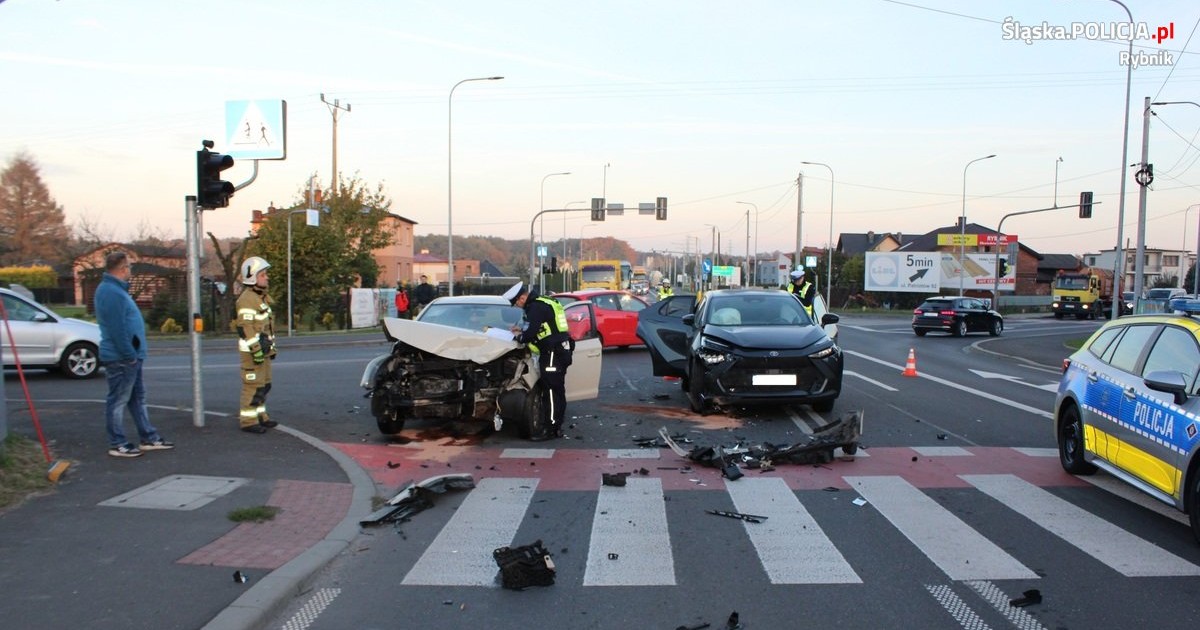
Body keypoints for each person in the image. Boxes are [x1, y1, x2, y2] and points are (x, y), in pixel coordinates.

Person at [95, 251, 173, 457]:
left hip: (129, 356)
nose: (130, 270)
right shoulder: (111, 292)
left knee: (136, 398)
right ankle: (117, 442)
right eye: (128, 266)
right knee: (119, 399)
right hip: (122, 358)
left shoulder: (115, 290)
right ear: (122, 269)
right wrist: (129, 353)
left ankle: (148, 436)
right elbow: (116, 328)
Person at [504, 282, 573, 441]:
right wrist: (522, 331)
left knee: (550, 391)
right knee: (557, 390)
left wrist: (518, 336)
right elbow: (546, 328)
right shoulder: (545, 301)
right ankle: (556, 426)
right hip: (560, 350)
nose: (518, 306)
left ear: (522, 297)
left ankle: (551, 429)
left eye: (517, 303)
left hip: (551, 354)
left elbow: (529, 335)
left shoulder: (535, 307)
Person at [236, 256, 277, 434]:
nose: (266, 278)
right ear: (252, 277)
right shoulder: (247, 300)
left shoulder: (260, 298)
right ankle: (248, 421)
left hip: (263, 352)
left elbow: (266, 328)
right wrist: (256, 351)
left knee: (264, 386)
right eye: (263, 275)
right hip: (253, 354)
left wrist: (271, 349)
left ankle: (261, 416)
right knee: (253, 387)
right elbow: (246, 328)